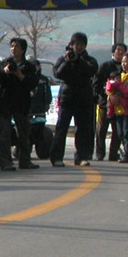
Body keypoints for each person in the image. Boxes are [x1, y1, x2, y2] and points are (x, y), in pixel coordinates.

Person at [50, 32, 99, 167]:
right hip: (67, 98)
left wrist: (78, 60)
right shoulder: (63, 59)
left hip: (84, 99)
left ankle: (82, 157)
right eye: (76, 44)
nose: (78, 47)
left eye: (81, 45)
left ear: (85, 46)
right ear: (71, 45)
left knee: (83, 129)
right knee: (61, 128)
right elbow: (58, 73)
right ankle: (56, 157)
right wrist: (68, 61)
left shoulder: (89, 60)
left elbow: (91, 71)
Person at [0, 37, 39, 170]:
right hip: (4, 103)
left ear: (23, 50)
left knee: (24, 133)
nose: (13, 49)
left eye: (16, 46)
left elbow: (33, 83)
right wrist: (4, 71)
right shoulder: (4, 63)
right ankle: (5, 162)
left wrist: (20, 75)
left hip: (21, 103)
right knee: (4, 133)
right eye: (12, 46)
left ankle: (25, 160)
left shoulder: (28, 66)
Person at [94, 43, 127, 161]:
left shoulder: (126, 68)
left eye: (123, 50)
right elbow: (96, 83)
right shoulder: (105, 66)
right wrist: (106, 94)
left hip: (120, 105)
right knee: (101, 130)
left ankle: (113, 154)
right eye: (118, 50)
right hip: (104, 103)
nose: (120, 52)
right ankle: (100, 154)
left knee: (117, 131)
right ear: (113, 52)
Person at [107, 52, 128, 162]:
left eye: (126, 62)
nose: (123, 64)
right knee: (120, 133)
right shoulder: (119, 76)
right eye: (122, 62)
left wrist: (126, 93)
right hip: (119, 110)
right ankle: (126, 152)